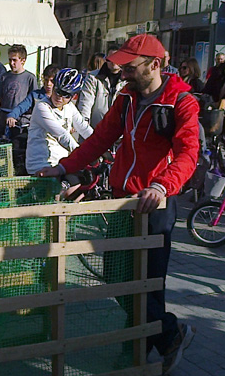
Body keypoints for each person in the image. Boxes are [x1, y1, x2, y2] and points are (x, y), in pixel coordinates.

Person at [38, 34, 199, 375]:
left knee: (150, 282)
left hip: (153, 204)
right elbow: (101, 137)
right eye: (121, 65)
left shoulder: (181, 101)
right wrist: (66, 165)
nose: (122, 71)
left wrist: (161, 185)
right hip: (122, 202)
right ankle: (164, 335)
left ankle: (142, 345)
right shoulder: (127, 97)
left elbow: (188, 154)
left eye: (130, 66)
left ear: (154, 64)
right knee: (117, 276)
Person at [25, 68, 93, 175]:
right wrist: (84, 155)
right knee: (76, 186)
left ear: (73, 96)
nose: (60, 98)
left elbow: (84, 128)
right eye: (58, 92)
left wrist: (101, 147)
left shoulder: (69, 107)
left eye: (66, 95)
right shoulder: (42, 107)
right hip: (41, 165)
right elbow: (61, 135)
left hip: (61, 162)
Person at [0, 44, 38, 145]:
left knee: (16, 147)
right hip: (3, 116)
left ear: (23, 60)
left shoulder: (30, 78)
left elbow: (33, 101)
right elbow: (0, 97)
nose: (11, 63)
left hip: (20, 119)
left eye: (14, 60)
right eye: (10, 60)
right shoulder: (5, 76)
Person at [77, 45, 126, 127]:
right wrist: (84, 124)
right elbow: (86, 101)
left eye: (116, 58)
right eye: (110, 58)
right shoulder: (93, 77)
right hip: (96, 127)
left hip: (119, 130)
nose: (113, 61)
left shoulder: (127, 79)